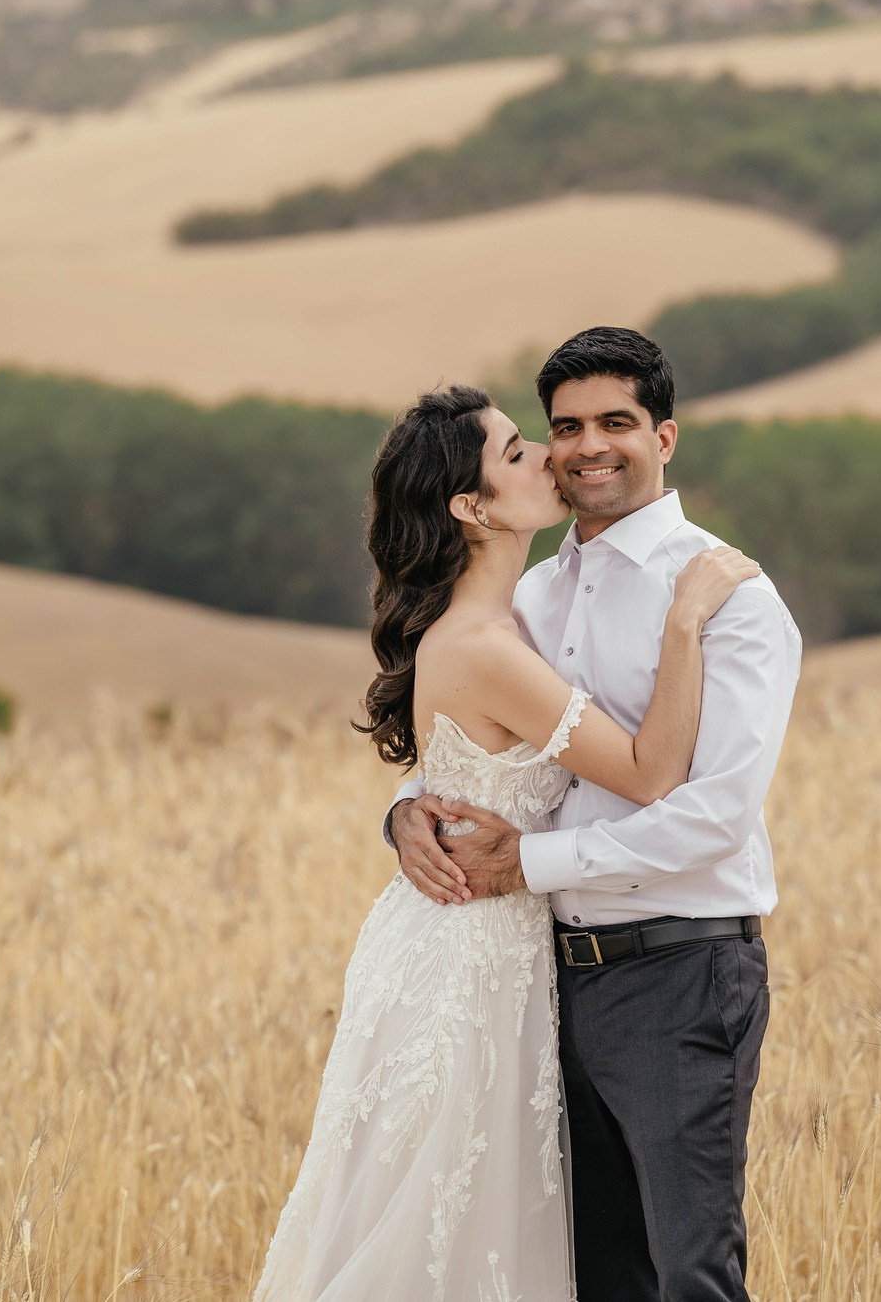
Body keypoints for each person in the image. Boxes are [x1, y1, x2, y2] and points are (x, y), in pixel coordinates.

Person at [251, 379, 760, 1302]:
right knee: (443, 1224)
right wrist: (687, 620)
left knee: (465, 1219)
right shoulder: (486, 640)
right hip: (471, 953)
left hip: (487, 943)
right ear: (472, 506)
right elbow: (649, 773)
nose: (553, 458)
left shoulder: (518, 612)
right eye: (521, 449)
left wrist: (408, 808)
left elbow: (453, 772)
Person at [391, 328, 802, 1302]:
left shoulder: (729, 598)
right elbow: (487, 745)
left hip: (678, 969)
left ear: (664, 436)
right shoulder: (530, 593)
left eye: (615, 422)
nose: (586, 447)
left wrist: (526, 863)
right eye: (563, 428)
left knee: (686, 1272)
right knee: (587, 1276)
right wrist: (405, 810)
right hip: (541, 987)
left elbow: (712, 817)